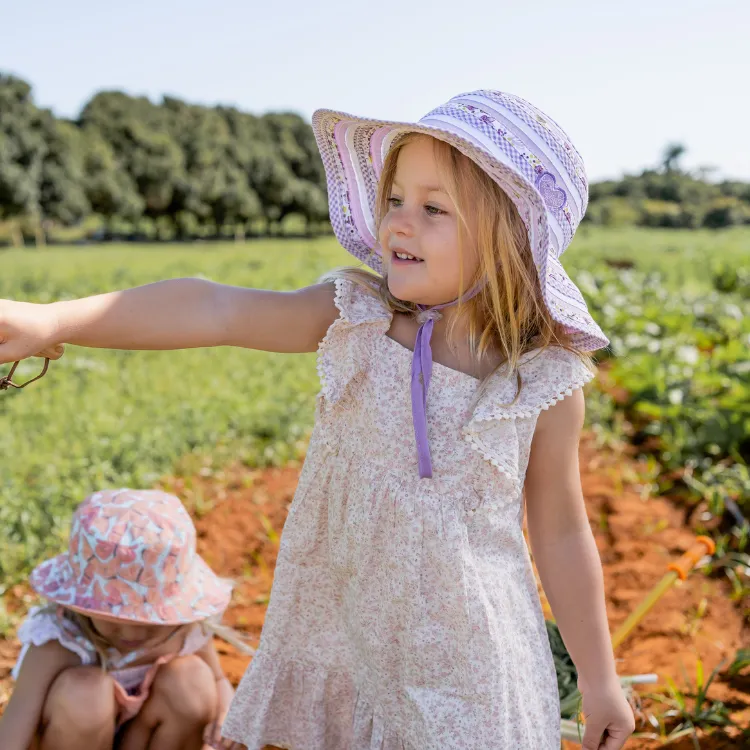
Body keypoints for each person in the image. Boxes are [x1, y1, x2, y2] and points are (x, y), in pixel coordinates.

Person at [0, 89, 636, 749]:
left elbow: (562, 534)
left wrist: (599, 680)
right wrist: (56, 320)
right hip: (342, 638)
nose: (398, 224)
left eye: (433, 209)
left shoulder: (540, 382)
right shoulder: (356, 317)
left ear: (510, 236)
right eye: (394, 200)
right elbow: (215, 308)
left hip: (469, 661)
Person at [0, 488, 246, 750]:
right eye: (114, 619)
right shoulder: (60, 640)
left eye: (151, 623)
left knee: (193, 680)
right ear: (82, 606)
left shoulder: (183, 631)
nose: (132, 635)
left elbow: (219, 680)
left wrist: (225, 712)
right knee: (86, 692)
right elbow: (19, 719)